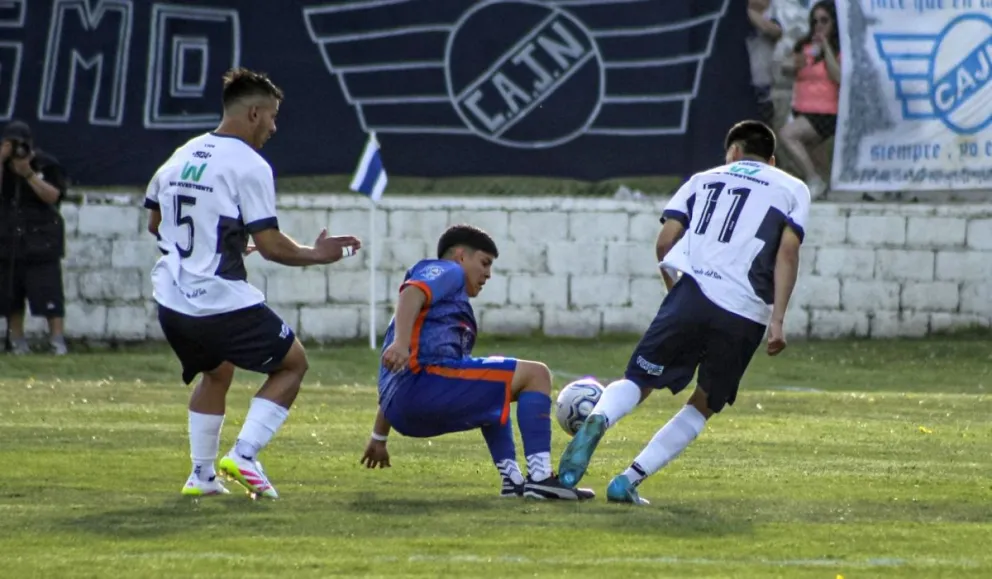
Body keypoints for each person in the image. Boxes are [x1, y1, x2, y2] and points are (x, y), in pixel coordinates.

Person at [557, 120, 809, 505]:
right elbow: (787, 253)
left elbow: (665, 243)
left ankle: (599, 419)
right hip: (744, 311)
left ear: (734, 152)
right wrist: (777, 320)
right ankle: (628, 480)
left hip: (691, 295)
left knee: (638, 379)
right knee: (704, 402)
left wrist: (675, 294)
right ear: (771, 159)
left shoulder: (702, 179)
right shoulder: (793, 187)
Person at [143, 67, 361, 499]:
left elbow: (156, 223)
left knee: (217, 371)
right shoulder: (249, 164)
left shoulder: (181, 154)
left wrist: (218, 241)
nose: (274, 127)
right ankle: (244, 454)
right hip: (217, 300)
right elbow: (274, 246)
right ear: (255, 113)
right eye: (273, 117)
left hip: (172, 300)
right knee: (293, 363)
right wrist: (320, 254)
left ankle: (201, 476)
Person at [360, 224, 594, 501]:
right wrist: (400, 342)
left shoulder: (435, 310)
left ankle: (513, 481)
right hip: (421, 387)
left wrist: (379, 437)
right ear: (460, 256)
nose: (488, 274)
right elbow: (410, 292)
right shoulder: (449, 271)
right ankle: (541, 478)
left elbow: (395, 376)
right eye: (484, 263)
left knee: (494, 393)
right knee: (537, 374)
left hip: (404, 406)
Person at [0, 120, 69, 355]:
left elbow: (53, 196)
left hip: (42, 239)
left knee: (49, 293)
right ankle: (17, 340)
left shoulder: (46, 164)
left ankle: (57, 340)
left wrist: (28, 173)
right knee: (11, 293)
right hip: (8, 238)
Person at [778, 0, 841, 200]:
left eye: (824, 21)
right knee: (814, 151)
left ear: (833, 23)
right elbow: (786, 68)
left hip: (826, 111)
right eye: (815, 21)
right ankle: (823, 184)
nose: (819, 26)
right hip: (803, 107)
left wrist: (826, 48)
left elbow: (837, 76)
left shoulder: (839, 49)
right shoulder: (805, 46)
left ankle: (813, 179)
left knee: (788, 134)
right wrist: (794, 63)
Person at [745, 0, 783, 127]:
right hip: (738, 89)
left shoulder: (772, 20)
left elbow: (773, 31)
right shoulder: (737, 22)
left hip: (761, 93)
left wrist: (745, 9)